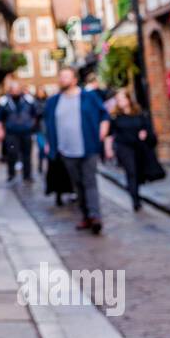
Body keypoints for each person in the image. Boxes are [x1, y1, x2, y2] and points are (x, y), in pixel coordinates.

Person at [42, 65, 112, 234]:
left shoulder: (88, 97)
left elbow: (104, 114)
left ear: (74, 80)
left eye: (66, 77)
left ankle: (95, 216)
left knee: (90, 181)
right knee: (77, 184)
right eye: (61, 77)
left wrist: (103, 129)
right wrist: (49, 142)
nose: (63, 80)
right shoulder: (53, 101)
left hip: (88, 147)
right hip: (66, 150)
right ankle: (85, 216)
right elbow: (48, 123)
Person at [110, 88, 165, 211]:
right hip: (124, 147)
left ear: (129, 99)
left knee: (138, 173)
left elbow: (148, 128)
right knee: (131, 172)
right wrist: (109, 149)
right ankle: (135, 201)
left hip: (138, 147)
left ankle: (136, 192)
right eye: (118, 99)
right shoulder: (115, 116)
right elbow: (111, 134)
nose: (120, 101)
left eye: (123, 98)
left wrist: (145, 133)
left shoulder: (139, 113)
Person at [0, 77, 39, 182]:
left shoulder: (28, 99)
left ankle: (27, 175)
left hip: (26, 132)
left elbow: (35, 114)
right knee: (12, 153)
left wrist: (32, 125)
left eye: (17, 88)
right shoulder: (4, 101)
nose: (15, 91)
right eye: (13, 89)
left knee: (27, 155)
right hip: (11, 133)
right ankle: (11, 174)